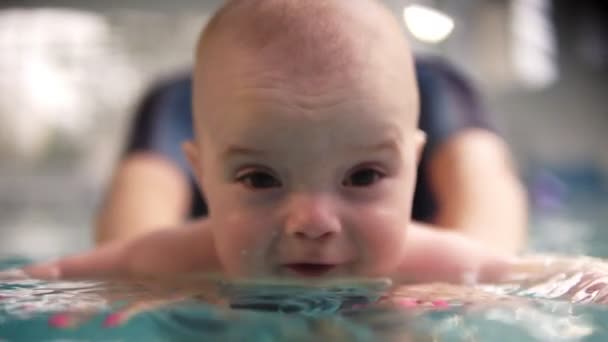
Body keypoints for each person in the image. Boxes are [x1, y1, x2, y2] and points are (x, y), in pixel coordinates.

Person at [23, 0, 527, 283]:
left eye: (364, 175)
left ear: (410, 165)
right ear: (202, 173)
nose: (312, 222)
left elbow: (502, 257)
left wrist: (453, 307)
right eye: (260, 177)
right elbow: (116, 261)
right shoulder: (179, 101)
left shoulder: (438, 87)